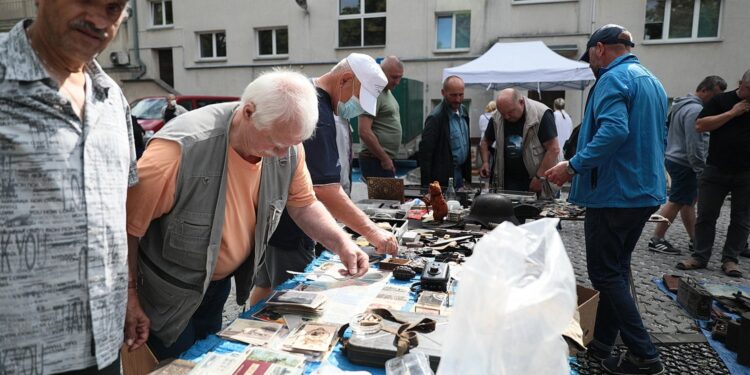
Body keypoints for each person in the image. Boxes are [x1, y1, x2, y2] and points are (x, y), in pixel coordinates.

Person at [124, 70, 372, 360]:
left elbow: (304, 204)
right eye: (275, 143)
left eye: (290, 145)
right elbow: (125, 231)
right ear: (248, 112)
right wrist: (129, 298)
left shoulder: (287, 145)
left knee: (204, 360)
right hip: (164, 294)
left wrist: (343, 243)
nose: (281, 153)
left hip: (214, 287)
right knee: (171, 364)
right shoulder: (179, 151)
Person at [0, 1, 136, 373]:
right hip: (17, 353)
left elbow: (113, 214)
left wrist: (128, 297)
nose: (96, 19)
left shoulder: (110, 97)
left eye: (111, 8)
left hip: (103, 347)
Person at [546, 24, 668, 375]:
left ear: (600, 48)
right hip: (642, 190)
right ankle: (603, 343)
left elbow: (615, 130)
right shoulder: (652, 80)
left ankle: (644, 355)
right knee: (616, 270)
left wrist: (573, 166)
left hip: (616, 192)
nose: (591, 66)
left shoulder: (612, 79)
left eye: (590, 58)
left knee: (605, 273)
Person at [248, 54, 399, 306]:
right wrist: (373, 232)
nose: (359, 108)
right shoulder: (318, 113)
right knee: (291, 303)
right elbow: (324, 190)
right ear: (346, 79)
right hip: (292, 231)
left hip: (272, 222)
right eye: (360, 99)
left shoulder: (308, 95)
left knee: (264, 287)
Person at [676, 70, 750, 278]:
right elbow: (700, 125)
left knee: (741, 219)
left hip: (745, 172)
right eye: (749, 89)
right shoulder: (721, 101)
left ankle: (730, 259)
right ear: (740, 84)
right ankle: (700, 256)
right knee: (707, 215)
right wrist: (733, 113)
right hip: (716, 168)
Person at [648, 76, 727, 255]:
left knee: (687, 201)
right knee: (677, 200)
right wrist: (700, 167)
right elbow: (695, 142)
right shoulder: (695, 110)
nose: (716, 100)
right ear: (704, 90)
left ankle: (695, 239)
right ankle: (657, 239)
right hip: (685, 162)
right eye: (715, 95)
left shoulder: (682, 105)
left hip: (677, 158)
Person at [479, 89, 561, 199]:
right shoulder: (497, 117)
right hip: (507, 184)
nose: (506, 117)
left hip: (535, 181)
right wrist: (485, 162)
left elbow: (553, 149)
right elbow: (485, 142)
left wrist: (539, 178)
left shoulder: (541, 114)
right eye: (503, 113)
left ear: (521, 102)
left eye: (510, 112)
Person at [419, 75, 471, 188]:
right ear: (443, 93)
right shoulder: (435, 118)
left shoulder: (464, 112)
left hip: (460, 175)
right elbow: (425, 155)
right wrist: (426, 188)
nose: (457, 99)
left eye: (460, 94)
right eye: (453, 95)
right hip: (443, 181)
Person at [358, 56, 404, 178]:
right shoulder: (373, 92)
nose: (397, 82)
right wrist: (384, 158)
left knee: (388, 197)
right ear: (381, 72)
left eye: (400, 77)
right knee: (383, 198)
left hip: (382, 159)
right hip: (375, 160)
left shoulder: (387, 91)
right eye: (394, 77)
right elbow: (364, 131)